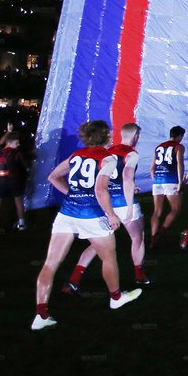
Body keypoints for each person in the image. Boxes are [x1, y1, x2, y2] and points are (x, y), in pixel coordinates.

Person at [32, 120, 142, 330]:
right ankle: (116, 297)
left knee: (51, 263)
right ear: (105, 136)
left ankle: (41, 315)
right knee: (108, 258)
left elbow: (53, 177)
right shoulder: (107, 158)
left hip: (67, 214)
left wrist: (72, 195)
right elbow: (101, 190)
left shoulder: (76, 155)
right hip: (91, 215)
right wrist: (111, 215)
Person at [64, 122, 151, 291]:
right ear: (135, 137)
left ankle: (74, 279)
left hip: (105, 202)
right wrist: (129, 205)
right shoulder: (132, 153)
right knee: (137, 236)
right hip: (123, 201)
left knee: (98, 243)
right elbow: (126, 177)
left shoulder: (108, 151)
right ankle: (139, 275)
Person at [0, 125, 29, 233]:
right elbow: (25, 166)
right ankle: (22, 224)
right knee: (18, 203)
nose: (18, 145)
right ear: (10, 143)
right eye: (16, 143)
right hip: (13, 180)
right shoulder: (17, 153)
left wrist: (8, 132)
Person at [149, 125, 186, 247]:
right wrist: (180, 182)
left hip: (158, 180)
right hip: (171, 179)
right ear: (179, 136)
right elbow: (180, 164)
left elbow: (152, 168)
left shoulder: (158, 147)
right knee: (175, 209)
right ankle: (161, 232)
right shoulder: (178, 147)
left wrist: (156, 179)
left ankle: (153, 237)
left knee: (156, 211)